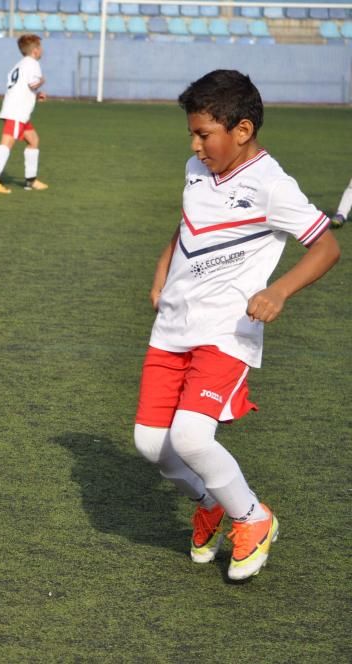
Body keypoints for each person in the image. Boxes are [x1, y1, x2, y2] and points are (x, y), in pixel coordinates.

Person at [133, 70, 340, 582]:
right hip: (172, 327)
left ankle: (253, 517)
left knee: (191, 438)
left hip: (226, 331)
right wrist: (162, 272)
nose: (195, 144)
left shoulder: (273, 185)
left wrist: (278, 291)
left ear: (242, 130)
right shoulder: (195, 169)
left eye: (204, 134)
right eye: (192, 134)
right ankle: (210, 503)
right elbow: (188, 227)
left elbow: (327, 247)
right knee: (149, 444)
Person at [0, 34, 48, 194]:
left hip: (18, 111)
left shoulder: (19, 65)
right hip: (17, 111)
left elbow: (23, 86)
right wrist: (41, 82)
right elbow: (33, 83)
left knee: (33, 139)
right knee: (7, 143)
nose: (42, 50)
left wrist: (36, 94)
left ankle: (30, 180)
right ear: (35, 50)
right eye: (40, 47)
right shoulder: (33, 64)